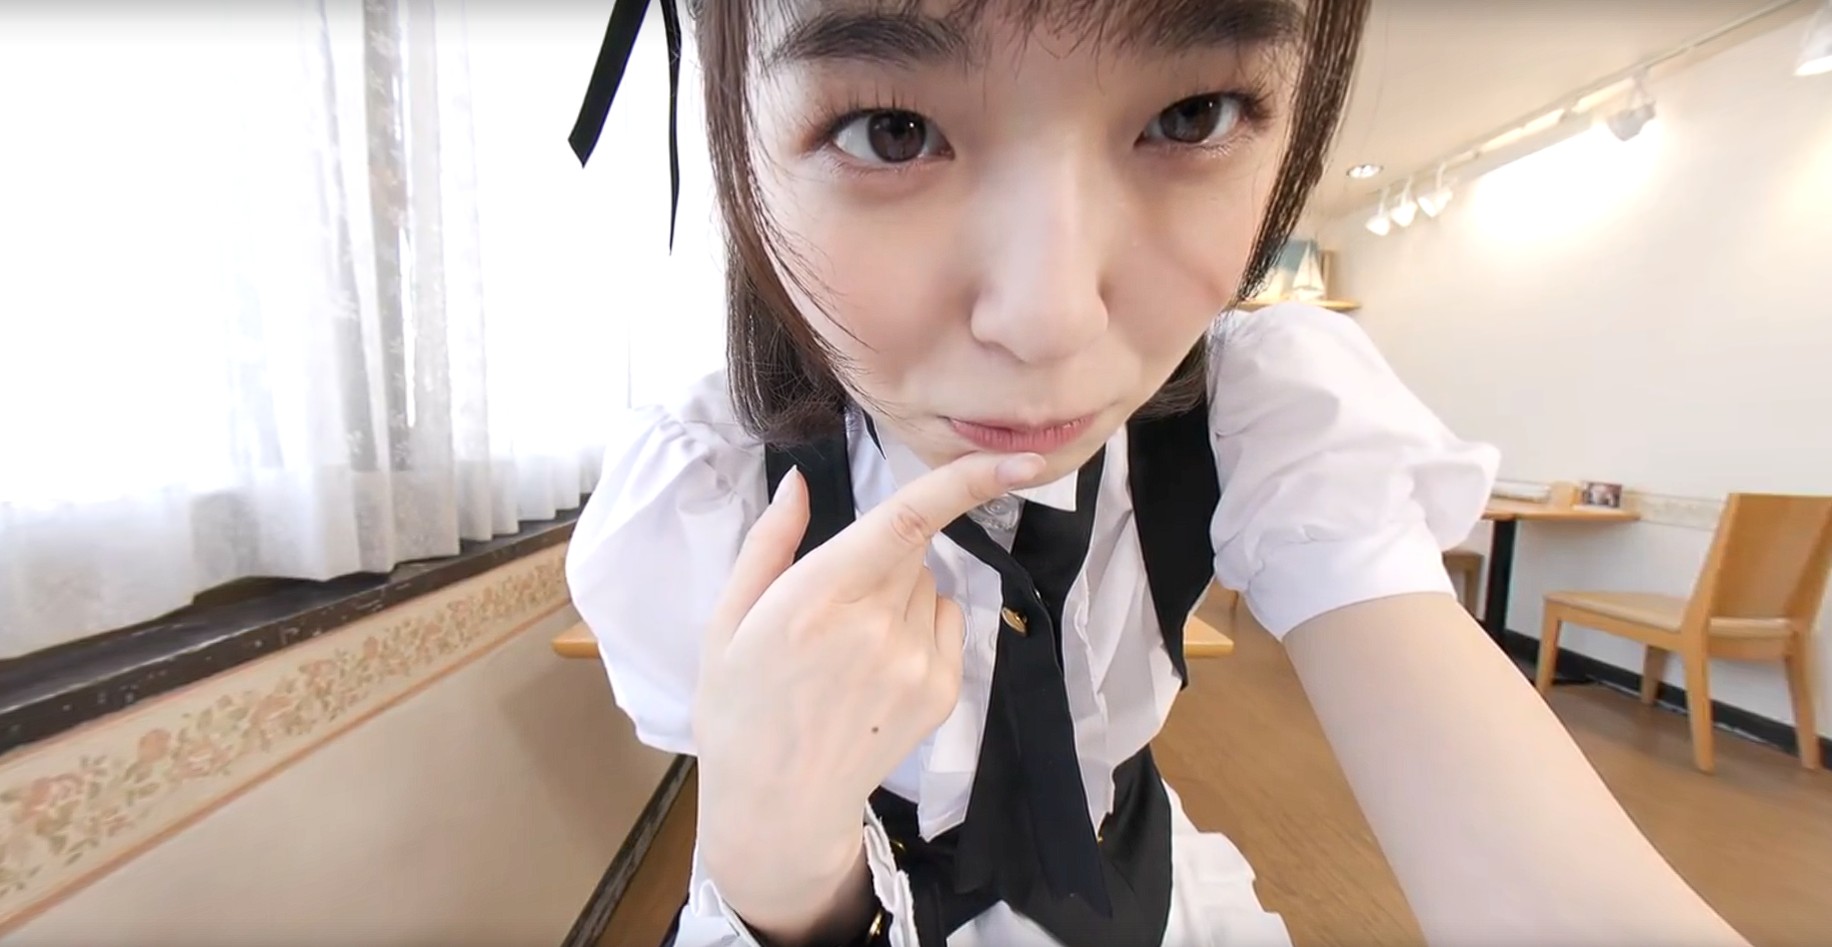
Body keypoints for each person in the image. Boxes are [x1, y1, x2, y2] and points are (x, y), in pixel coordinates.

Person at [564, 1, 1751, 945]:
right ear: (735, 144)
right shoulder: (706, 494)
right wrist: (777, 869)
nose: (1048, 318)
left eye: (1189, 116)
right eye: (892, 130)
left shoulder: (1255, 414)